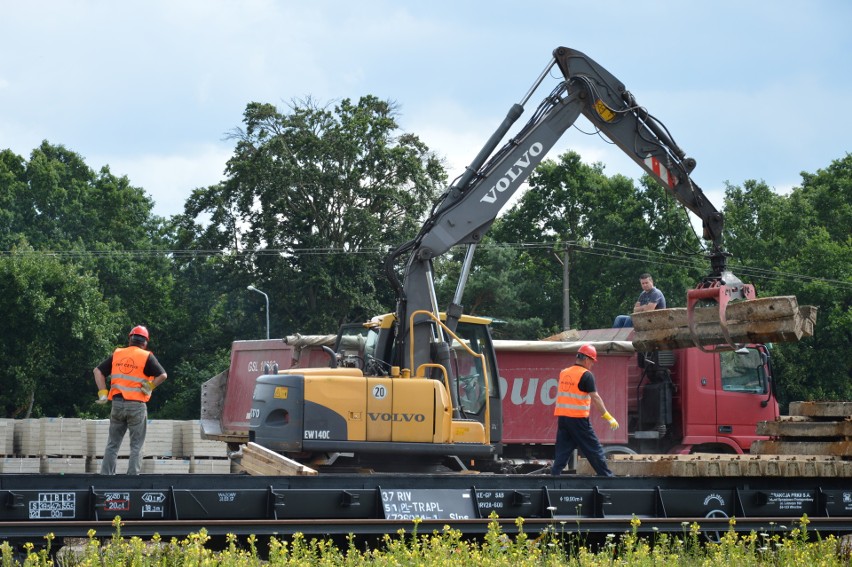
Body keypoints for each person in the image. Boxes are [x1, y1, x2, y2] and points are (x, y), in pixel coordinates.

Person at [93, 325, 167, 475]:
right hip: (136, 406)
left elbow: (98, 371)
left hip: (117, 404)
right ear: (145, 342)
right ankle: (132, 480)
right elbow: (163, 375)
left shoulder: (118, 353)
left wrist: (102, 393)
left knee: (112, 444)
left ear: (130, 339)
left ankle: (106, 477)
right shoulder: (146, 356)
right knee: (136, 446)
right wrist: (150, 386)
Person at [551, 344, 619, 476]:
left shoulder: (564, 372)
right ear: (587, 359)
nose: (592, 364)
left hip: (563, 419)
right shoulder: (586, 375)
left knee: (562, 451)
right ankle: (607, 477)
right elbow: (595, 398)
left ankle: (554, 477)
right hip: (578, 419)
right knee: (593, 448)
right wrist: (608, 416)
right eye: (592, 361)